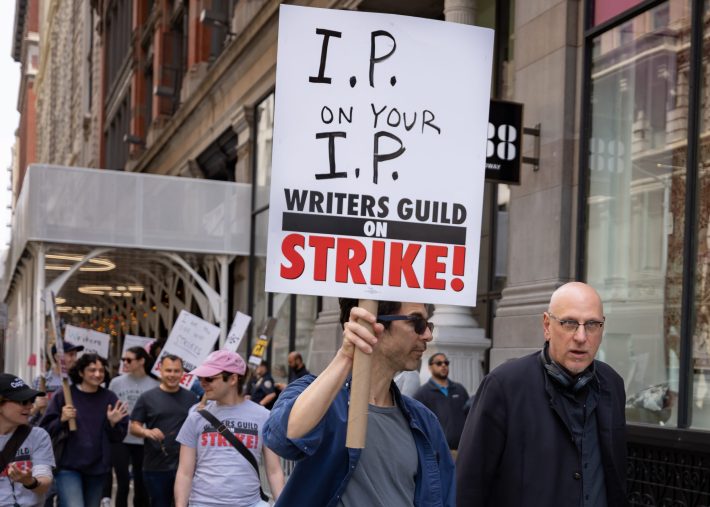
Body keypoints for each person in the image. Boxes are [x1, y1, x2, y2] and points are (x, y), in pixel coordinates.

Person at [263, 299, 455, 507]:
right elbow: (282, 439)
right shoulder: (314, 395)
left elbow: (445, 499)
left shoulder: (425, 423)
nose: (427, 335)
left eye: (429, 325)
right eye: (417, 323)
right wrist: (346, 356)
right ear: (374, 326)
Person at [456, 282, 627, 507]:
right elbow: (468, 486)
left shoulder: (612, 384)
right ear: (547, 325)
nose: (581, 336)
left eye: (593, 324)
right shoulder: (505, 386)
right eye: (569, 323)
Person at [174, 350, 285, 507]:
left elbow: (274, 471)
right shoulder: (195, 418)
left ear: (233, 379)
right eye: (200, 378)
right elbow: (185, 473)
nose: (202, 383)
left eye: (209, 378)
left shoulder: (264, 417)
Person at [40, 353, 129, 507]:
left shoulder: (109, 398)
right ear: (81, 372)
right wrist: (62, 419)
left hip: (98, 467)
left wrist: (113, 423)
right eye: (92, 370)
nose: (97, 374)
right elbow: (45, 429)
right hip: (68, 466)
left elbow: (118, 437)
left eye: (101, 370)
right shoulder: (64, 395)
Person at [130, 354, 198, 507]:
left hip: (186, 466)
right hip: (156, 466)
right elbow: (133, 426)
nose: (172, 375)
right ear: (160, 370)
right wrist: (147, 432)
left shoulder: (192, 398)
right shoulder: (147, 397)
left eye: (176, 371)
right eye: (168, 370)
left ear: (182, 373)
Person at [104, 346, 158, 507]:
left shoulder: (154, 384)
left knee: (141, 482)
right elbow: (108, 407)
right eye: (123, 360)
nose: (124, 363)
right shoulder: (116, 382)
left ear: (141, 361)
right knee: (123, 482)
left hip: (143, 438)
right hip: (121, 437)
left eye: (128, 360)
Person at [0, 373, 55, 506]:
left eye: (31, 400)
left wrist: (30, 481)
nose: (30, 406)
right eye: (23, 401)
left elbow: (45, 484)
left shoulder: (38, 436)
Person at [413, 353, 469, 453]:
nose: (443, 365)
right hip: (439, 453)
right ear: (430, 367)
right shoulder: (422, 393)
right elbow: (418, 424)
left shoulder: (459, 389)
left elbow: (470, 416)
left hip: (463, 450)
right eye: (439, 363)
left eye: (446, 363)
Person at [31, 341, 84, 420]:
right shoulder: (41, 380)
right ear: (57, 357)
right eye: (71, 355)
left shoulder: (78, 381)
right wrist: (36, 407)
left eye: (75, 355)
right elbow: (28, 413)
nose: (75, 359)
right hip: (46, 428)